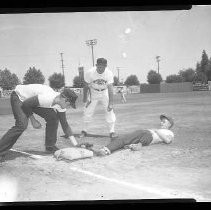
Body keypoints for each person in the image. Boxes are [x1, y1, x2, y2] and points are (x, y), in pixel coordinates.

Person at [0, 84, 78, 157]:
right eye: (69, 104)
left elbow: (65, 124)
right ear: (64, 99)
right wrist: (33, 120)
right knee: (22, 125)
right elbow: (26, 104)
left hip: (32, 102)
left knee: (53, 118)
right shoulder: (47, 98)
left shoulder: (61, 105)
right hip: (19, 97)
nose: (69, 107)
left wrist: (75, 144)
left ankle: (50, 146)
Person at [92, 114, 174, 156]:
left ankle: (105, 150)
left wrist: (156, 131)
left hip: (147, 135)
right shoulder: (160, 130)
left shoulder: (169, 132)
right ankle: (135, 145)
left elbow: (167, 140)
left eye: (164, 122)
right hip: (146, 136)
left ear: (169, 124)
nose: (161, 123)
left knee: (123, 139)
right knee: (124, 139)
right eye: (161, 121)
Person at [79, 57, 118, 139]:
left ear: (106, 66)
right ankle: (84, 130)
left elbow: (110, 89)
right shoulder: (90, 72)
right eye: (98, 66)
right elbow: (86, 86)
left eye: (102, 67)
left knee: (109, 111)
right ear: (96, 65)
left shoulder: (109, 73)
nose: (100, 68)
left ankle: (112, 131)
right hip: (93, 93)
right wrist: (85, 98)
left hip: (105, 92)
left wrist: (111, 103)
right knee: (87, 111)